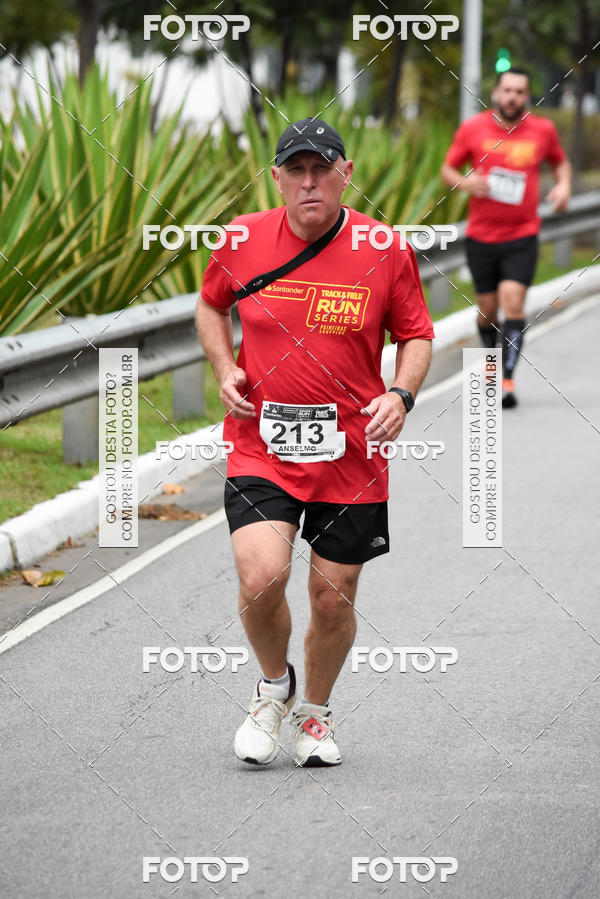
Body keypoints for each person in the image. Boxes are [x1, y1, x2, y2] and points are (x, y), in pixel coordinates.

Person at [196, 117, 434, 767]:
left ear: (344, 173)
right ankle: (274, 686)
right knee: (261, 574)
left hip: (350, 453)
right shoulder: (240, 239)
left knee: (333, 595)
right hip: (261, 444)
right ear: (276, 178)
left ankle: (316, 714)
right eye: (295, 170)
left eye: (320, 168)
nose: (309, 182)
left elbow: (417, 333)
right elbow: (210, 305)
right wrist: (224, 369)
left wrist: (401, 395)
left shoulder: (385, 248)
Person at [441, 67, 571, 407]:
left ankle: (507, 382)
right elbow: (448, 169)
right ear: (496, 93)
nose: (512, 97)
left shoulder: (543, 130)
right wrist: (466, 182)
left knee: (513, 301)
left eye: (519, 92)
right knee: (487, 311)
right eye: (507, 90)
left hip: (522, 234)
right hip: (482, 237)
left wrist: (564, 186)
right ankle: (492, 358)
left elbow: (560, 163)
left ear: (526, 96)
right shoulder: (473, 128)